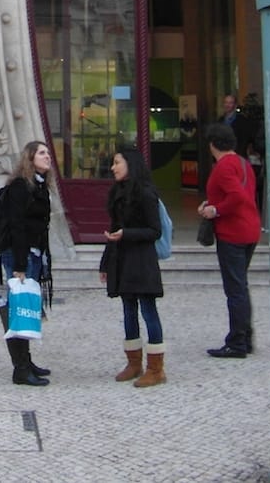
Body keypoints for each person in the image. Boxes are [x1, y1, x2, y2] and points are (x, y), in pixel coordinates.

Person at [99, 148, 166, 387]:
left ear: (131, 164)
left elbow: (154, 230)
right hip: (122, 259)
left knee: (148, 310)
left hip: (141, 259)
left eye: (117, 162)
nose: (113, 167)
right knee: (128, 310)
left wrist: (126, 234)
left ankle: (156, 368)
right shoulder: (117, 192)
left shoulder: (146, 193)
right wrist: (105, 263)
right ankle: (134, 362)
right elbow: (113, 226)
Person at [198, 123, 261, 359]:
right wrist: (210, 203)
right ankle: (245, 336)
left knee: (235, 289)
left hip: (233, 232)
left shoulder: (223, 167)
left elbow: (236, 196)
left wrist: (215, 210)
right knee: (241, 286)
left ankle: (237, 342)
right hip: (250, 229)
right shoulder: (244, 163)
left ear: (212, 144)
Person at [0, 140, 54, 387]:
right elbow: (17, 227)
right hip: (21, 255)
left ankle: (26, 361)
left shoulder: (39, 185)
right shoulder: (21, 186)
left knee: (26, 307)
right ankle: (20, 368)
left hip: (34, 255)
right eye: (42, 153)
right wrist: (19, 265)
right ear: (30, 159)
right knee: (18, 308)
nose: (48, 156)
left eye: (47, 152)